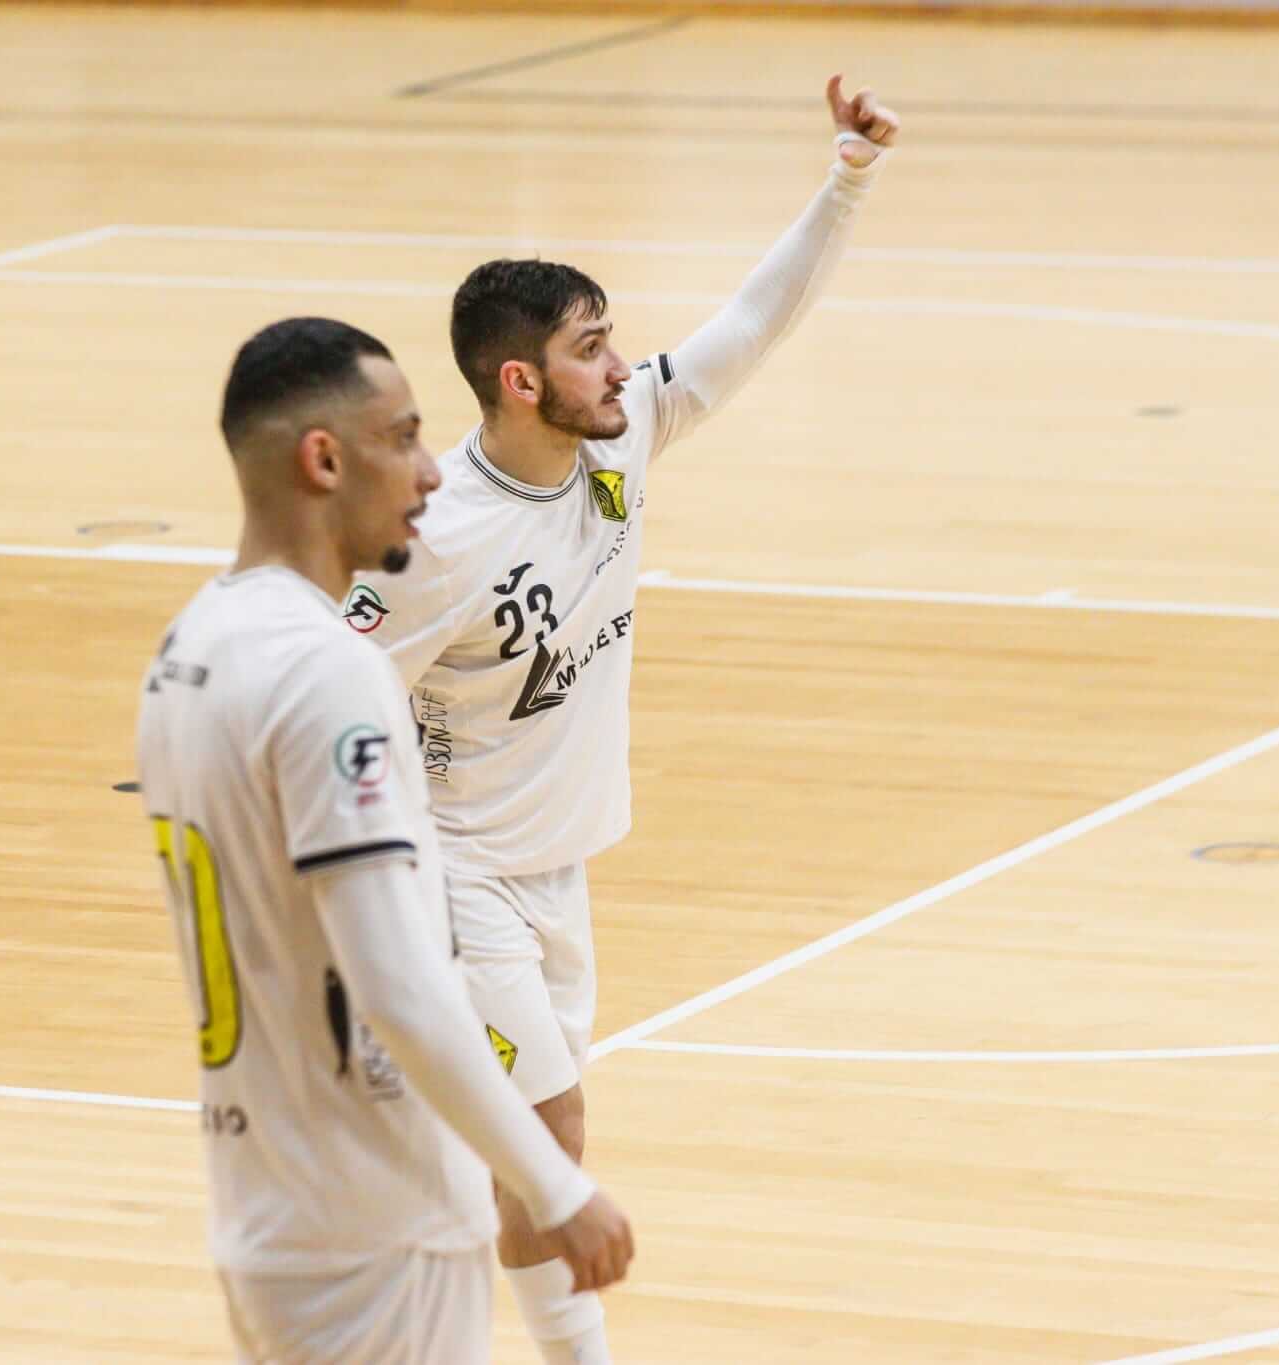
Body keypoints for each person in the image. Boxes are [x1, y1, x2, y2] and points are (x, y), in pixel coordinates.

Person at [341, 75, 899, 1364]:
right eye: (593, 346)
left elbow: (755, 323)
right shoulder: (438, 541)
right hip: (457, 869)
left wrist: (846, 176)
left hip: (559, 865)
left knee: (519, 1146)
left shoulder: (618, 439)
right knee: (552, 1140)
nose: (621, 363)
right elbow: (329, 661)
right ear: (522, 378)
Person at [137, 317, 634, 1364]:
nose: (427, 473)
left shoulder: (190, 645)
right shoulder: (328, 671)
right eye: (403, 439)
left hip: (270, 1207)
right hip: (374, 1223)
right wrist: (555, 1187)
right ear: (322, 460)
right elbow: (398, 986)